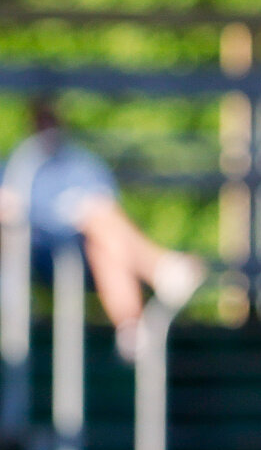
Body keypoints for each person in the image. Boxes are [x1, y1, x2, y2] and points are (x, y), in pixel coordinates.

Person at [0, 98, 206, 360]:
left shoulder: (81, 163)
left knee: (104, 239)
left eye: (51, 120)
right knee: (100, 223)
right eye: (42, 121)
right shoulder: (20, 163)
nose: (47, 127)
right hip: (37, 254)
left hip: (85, 252)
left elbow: (106, 205)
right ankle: (160, 268)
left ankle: (131, 330)